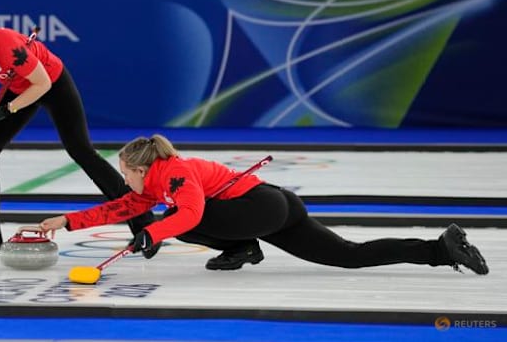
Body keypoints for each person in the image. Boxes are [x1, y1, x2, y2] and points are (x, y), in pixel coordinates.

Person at [39, 134, 489, 275]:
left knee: (178, 220)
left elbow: (192, 215)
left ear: (141, 167)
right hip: (277, 208)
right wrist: (65, 221)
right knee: (347, 256)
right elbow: (118, 208)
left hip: (261, 207)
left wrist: (150, 234)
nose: (124, 179)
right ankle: (439, 249)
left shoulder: (175, 172)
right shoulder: (153, 182)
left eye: (125, 171)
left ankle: (242, 247)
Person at [0, 10, 156, 256]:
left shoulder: (5, 45)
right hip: (17, 86)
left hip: (50, 81)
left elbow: (42, 84)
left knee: (81, 151)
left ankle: (144, 222)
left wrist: (9, 109)